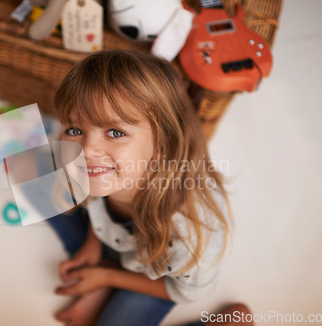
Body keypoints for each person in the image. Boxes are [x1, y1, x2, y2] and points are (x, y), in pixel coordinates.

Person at [45, 49, 235, 326]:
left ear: (161, 145)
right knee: (36, 176)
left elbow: (188, 292)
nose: (86, 150)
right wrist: (92, 244)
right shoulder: (101, 173)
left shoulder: (192, 236)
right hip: (120, 244)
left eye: (115, 132)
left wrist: (107, 276)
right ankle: (106, 268)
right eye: (75, 130)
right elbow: (97, 201)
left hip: (158, 274)